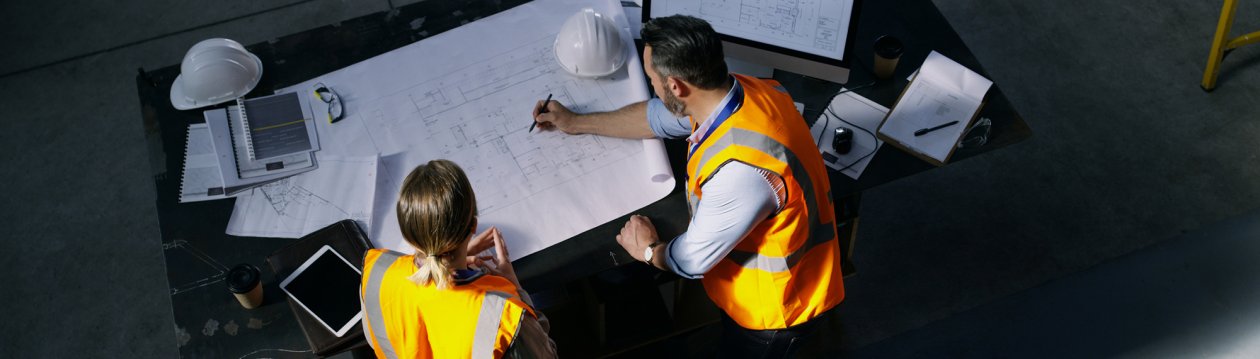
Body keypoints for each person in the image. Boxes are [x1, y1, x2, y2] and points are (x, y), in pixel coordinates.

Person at [532, 15, 844, 357]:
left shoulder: (741, 172)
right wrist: (575, 122)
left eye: (652, 78)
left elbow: (692, 260)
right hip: (792, 271)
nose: (651, 85)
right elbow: (656, 117)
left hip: (777, 312)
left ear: (677, 86)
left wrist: (648, 251)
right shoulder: (746, 90)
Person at [359, 160, 557, 358]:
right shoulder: (506, 321)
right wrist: (516, 288)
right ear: (473, 226)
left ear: (408, 234)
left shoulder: (377, 271)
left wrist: (447, 257)